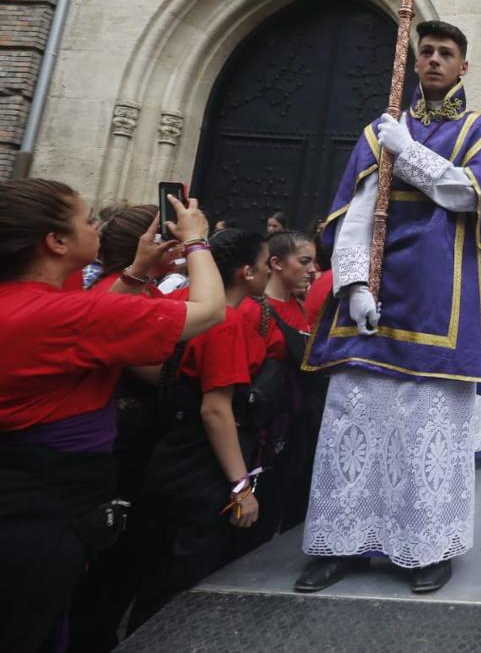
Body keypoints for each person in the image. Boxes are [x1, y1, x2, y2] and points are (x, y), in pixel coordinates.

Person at [294, 20, 481, 595]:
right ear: (414, 63)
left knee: (427, 428)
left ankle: (425, 547)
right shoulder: (380, 132)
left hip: (442, 306)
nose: (435, 60)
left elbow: (470, 196)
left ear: (464, 66)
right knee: (355, 423)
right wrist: (353, 286)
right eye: (426, 52)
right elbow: (355, 217)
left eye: (446, 53)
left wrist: (409, 153)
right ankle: (339, 544)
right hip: (375, 302)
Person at [0, 179, 223, 653]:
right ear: (56, 242)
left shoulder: (32, 306)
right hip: (42, 507)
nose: (96, 226)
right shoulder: (59, 316)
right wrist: (198, 241)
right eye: (86, 220)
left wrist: (139, 270)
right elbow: (208, 312)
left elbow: (94, 317)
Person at [130, 230, 277, 628]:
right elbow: (215, 410)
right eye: (265, 265)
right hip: (201, 467)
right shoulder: (224, 324)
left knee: (150, 574)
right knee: (179, 586)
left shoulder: (184, 305)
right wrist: (240, 486)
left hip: (167, 453)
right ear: (247, 272)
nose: (269, 271)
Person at [67, 204, 187, 652]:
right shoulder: (112, 294)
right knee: (103, 580)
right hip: (118, 450)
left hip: (133, 445)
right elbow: (158, 370)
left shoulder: (139, 291)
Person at [238, 229, 318, 537]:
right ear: (277, 263)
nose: (313, 270)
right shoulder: (253, 311)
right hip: (264, 434)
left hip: (296, 430)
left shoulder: (302, 308)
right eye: (305, 261)